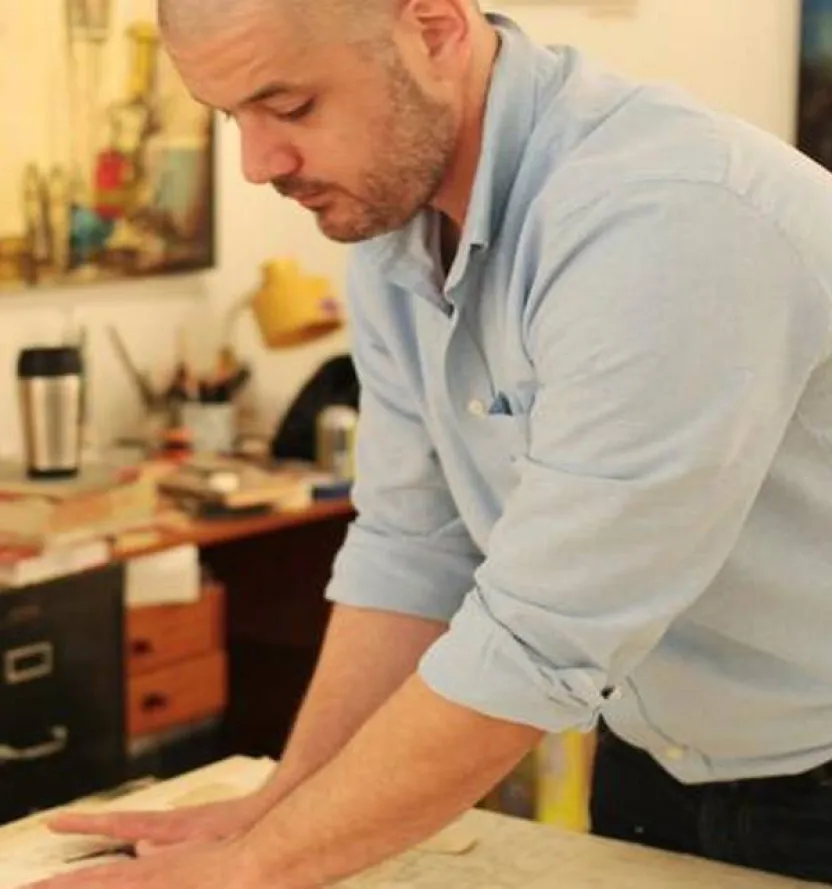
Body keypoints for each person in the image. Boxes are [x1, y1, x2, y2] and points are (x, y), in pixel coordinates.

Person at [29, 0, 832, 886]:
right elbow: (414, 546)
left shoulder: (669, 219)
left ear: (436, 29)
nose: (260, 165)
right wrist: (282, 803)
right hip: (661, 757)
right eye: (232, 117)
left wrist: (250, 868)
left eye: (290, 106)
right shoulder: (397, 225)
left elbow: (539, 637)